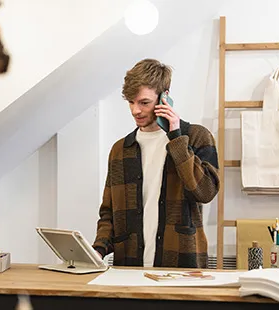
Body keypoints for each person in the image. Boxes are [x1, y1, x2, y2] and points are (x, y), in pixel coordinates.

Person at [92, 59, 220, 268]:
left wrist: (177, 138)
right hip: (129, 268)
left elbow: (205, 192)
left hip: (181, 267)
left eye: (144, 102)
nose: (135, 111)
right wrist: (98, 250)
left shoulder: (196, 137)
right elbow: (109, 213)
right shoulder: (120, 150)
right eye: (131, 102)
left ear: (164, 97)